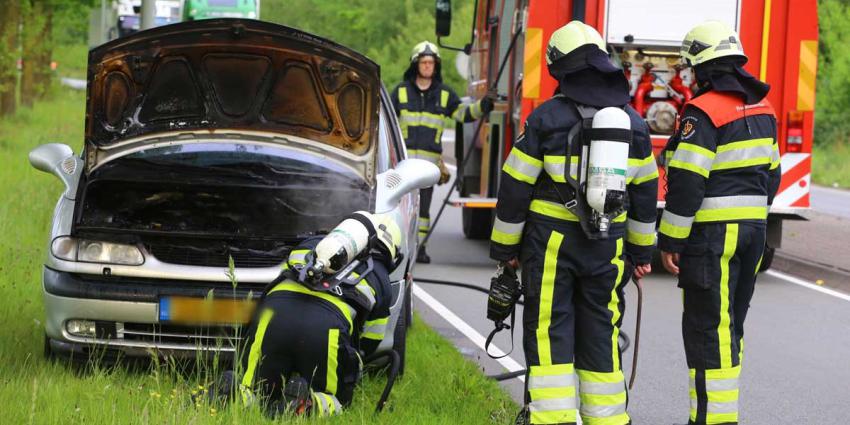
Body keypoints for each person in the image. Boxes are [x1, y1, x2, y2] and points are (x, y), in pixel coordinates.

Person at [489, 21, 658, 425]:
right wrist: (638, 253)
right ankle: (609, 419)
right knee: (602, 328)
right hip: (608, 244)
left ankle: (553, 418)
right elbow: (647, 193)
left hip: (551, 243)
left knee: (550, 328)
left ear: (560, 68)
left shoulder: (545, 118)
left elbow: (515, 186)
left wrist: (506, 250)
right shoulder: (633, 123)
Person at [658, 21, 781, 425]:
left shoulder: (703, 111)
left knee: (707, 332)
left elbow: (688, 184)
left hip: (713, 238)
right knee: (730, 328)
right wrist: (753, 218)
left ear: (703, 68)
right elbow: (773, 175)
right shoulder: (764, 109)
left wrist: (671, 239)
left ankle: (712, 421)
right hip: (754, 232)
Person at [213, 212, 402, 417]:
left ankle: (233, 393)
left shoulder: (310, 244)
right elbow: (370, 342)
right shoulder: (380, 277)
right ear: (392, 251)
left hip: (272, 317)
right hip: (326, 331)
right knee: (335, 400)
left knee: (256, 390)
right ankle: (305, 404)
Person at [391, 41, 494, 263]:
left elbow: (463, 114)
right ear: (415, 64)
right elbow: (386, 122)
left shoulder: (445, 94)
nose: (428, 66)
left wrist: (483, 106)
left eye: (431, 63)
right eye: (424, 62)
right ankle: (398, 248)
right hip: (403, 165)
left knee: (424, 211)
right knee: (399, 207)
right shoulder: (399, 92)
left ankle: (420, 249)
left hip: (428, 168)